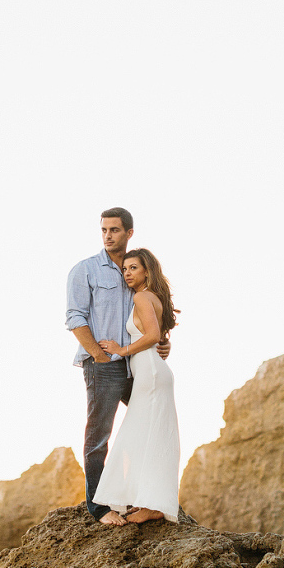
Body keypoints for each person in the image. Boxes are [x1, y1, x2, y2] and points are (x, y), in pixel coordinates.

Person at [66, 208, 170, 525]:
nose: (108, 235)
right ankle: (99, 508)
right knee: (99, 436)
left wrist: (161, 341)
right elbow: (75, 318)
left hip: (137, 366)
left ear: (129, 232)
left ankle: (146, 499)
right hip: (104, 366)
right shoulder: (85, 271)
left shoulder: (134, 269)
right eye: (104, 230)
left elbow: (150, 317)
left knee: (149, 429)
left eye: (114, 230)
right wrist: (98, 355)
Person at [92, 248, 180, 524]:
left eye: (133, 268)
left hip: (151, 374)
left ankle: (153, 504)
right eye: (125, 269)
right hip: (150, 372)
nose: (127, 273)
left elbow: (153, 336)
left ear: (146, 271)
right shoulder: (150, 297)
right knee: (148, 435)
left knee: (148, 435)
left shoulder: (142, 296)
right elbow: (159, 336)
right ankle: (148, 501)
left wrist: (121, 349)